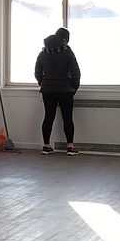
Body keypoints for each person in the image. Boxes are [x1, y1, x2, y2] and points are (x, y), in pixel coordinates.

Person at [34, 27, 81, 156]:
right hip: (65, 90)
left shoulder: (43, 53)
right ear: (66, 39)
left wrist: (43, 83)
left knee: (48, 117)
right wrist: (74, 87)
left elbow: (37, 72)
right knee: (67, 118)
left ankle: (46, 146)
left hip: (48, 90)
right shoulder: (67, 52)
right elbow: (75, 72)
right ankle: (70, 147)